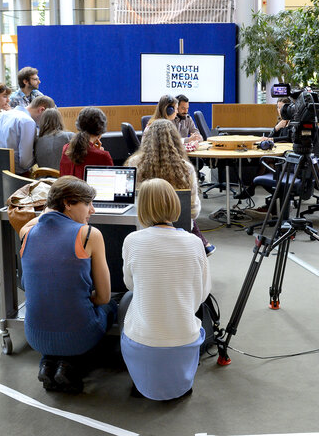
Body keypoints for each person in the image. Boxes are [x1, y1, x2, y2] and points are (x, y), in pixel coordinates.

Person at [19, 176, 117, 393]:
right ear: (69, 203)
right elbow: (103, 297)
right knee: (112, 307)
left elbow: (30, 223)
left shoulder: (27, 233)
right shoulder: (89, 235)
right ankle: (69, 365)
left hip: (35, 335)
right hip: (79, 337)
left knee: (56, 310)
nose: (92, 210)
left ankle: (49, 362)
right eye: (88, 203)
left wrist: (50, 210)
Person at [119, 178, 211, 401]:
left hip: (141, 341)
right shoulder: (194, 242)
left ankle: (141, 377)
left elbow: (130, 285)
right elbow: (202, 294)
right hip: (184, 339)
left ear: (141, 208)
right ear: (174, 203)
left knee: (128, 300)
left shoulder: (132, 240)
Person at [127, 119, 215, 256]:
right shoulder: (186, 168)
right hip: (180, 230)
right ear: (175, 139)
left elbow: (130, 203)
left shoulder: (134, 164)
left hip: (142, 227)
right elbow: (193, 212)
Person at [0, 95, 56, 175]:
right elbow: (25, 163)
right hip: (16, 177)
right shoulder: (27, 122)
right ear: (41, 110)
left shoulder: (0, 115)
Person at [59, 107, 113, 179]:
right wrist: (100, 153)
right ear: (100, 132)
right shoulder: (103, 156)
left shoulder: (66, 149)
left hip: (65, 190)